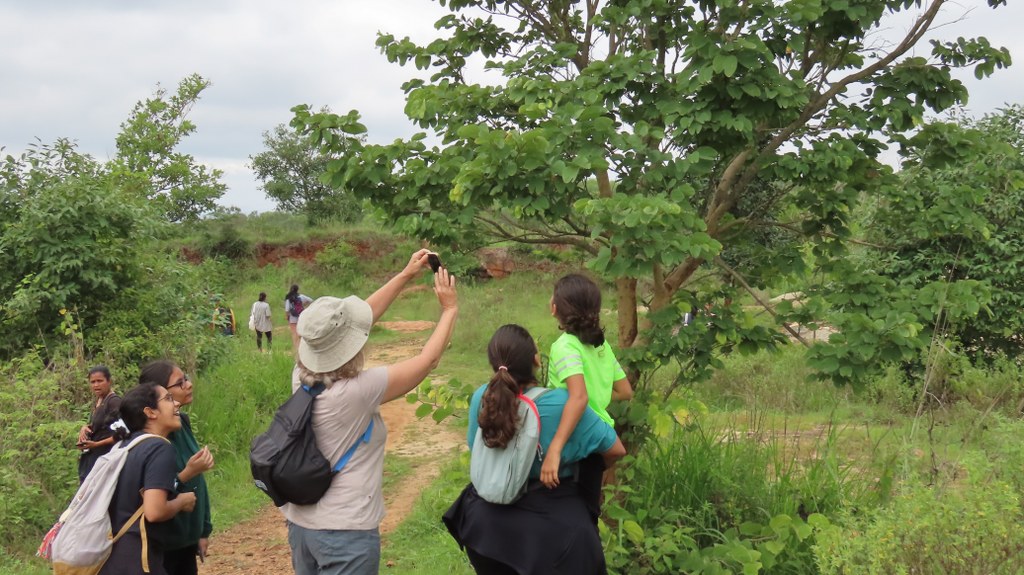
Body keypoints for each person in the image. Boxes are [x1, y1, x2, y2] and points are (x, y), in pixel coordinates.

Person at [283, 249, 458, 575]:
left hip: (301, 527)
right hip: (345, 534)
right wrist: (449, 309)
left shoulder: (301, 375)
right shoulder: (360, 390)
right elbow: (427, 361)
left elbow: (361, 318)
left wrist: (405, 275)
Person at [443, 324, 626, 574]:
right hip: (552, 537)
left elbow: (477, 450)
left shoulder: (482, 399)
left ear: (493, 364)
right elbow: (615, 450)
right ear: (536, 360)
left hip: (486, 528)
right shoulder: (562, 405)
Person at [540, 274, 633, 521]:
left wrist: (554, 451)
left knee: (561, 517)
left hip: (571, 440)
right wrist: (598, 397)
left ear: (556, 308)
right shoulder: (601, 346)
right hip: (599, 441)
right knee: (587, 515)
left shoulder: (565, 346)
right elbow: (625, 391)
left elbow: (578, 397)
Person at [99, 383, 197, 575]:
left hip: (111, 558)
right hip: (139, 560)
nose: (176, 404)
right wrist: (181, 501)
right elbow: (154, 511)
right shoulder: (159, 448)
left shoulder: (122, 447)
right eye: (168, 399)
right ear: (150, 412)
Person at [138, 360, 215, 575]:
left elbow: (198, 483)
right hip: (163, 544)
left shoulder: (182, 422)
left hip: (186, 539)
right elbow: (154, 497)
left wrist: (202, 531)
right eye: (179, 384)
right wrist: (187, 473)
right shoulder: (150, 442)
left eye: (186, 379)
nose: (188, 385)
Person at [76, 365, 123, 483]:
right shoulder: (99, 401)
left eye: (100, 381)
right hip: (93, 459)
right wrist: (85, 428)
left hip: (106, 458)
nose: (96, 385)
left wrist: (96, 444)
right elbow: (102, 425)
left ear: (109, 381)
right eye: (93, 382)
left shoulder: (114, 402)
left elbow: (123, 433)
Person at [285, 284, 313, 351]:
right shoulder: (301, 297)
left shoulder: (289, 298)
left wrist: (287, 316)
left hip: (293, 318)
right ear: (297, 289)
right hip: (301, 316)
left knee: (294, 333)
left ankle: (296, 348)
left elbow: (287, 309)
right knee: (301, 332)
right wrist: (305, 305)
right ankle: (303, 347)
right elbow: (311, 300)